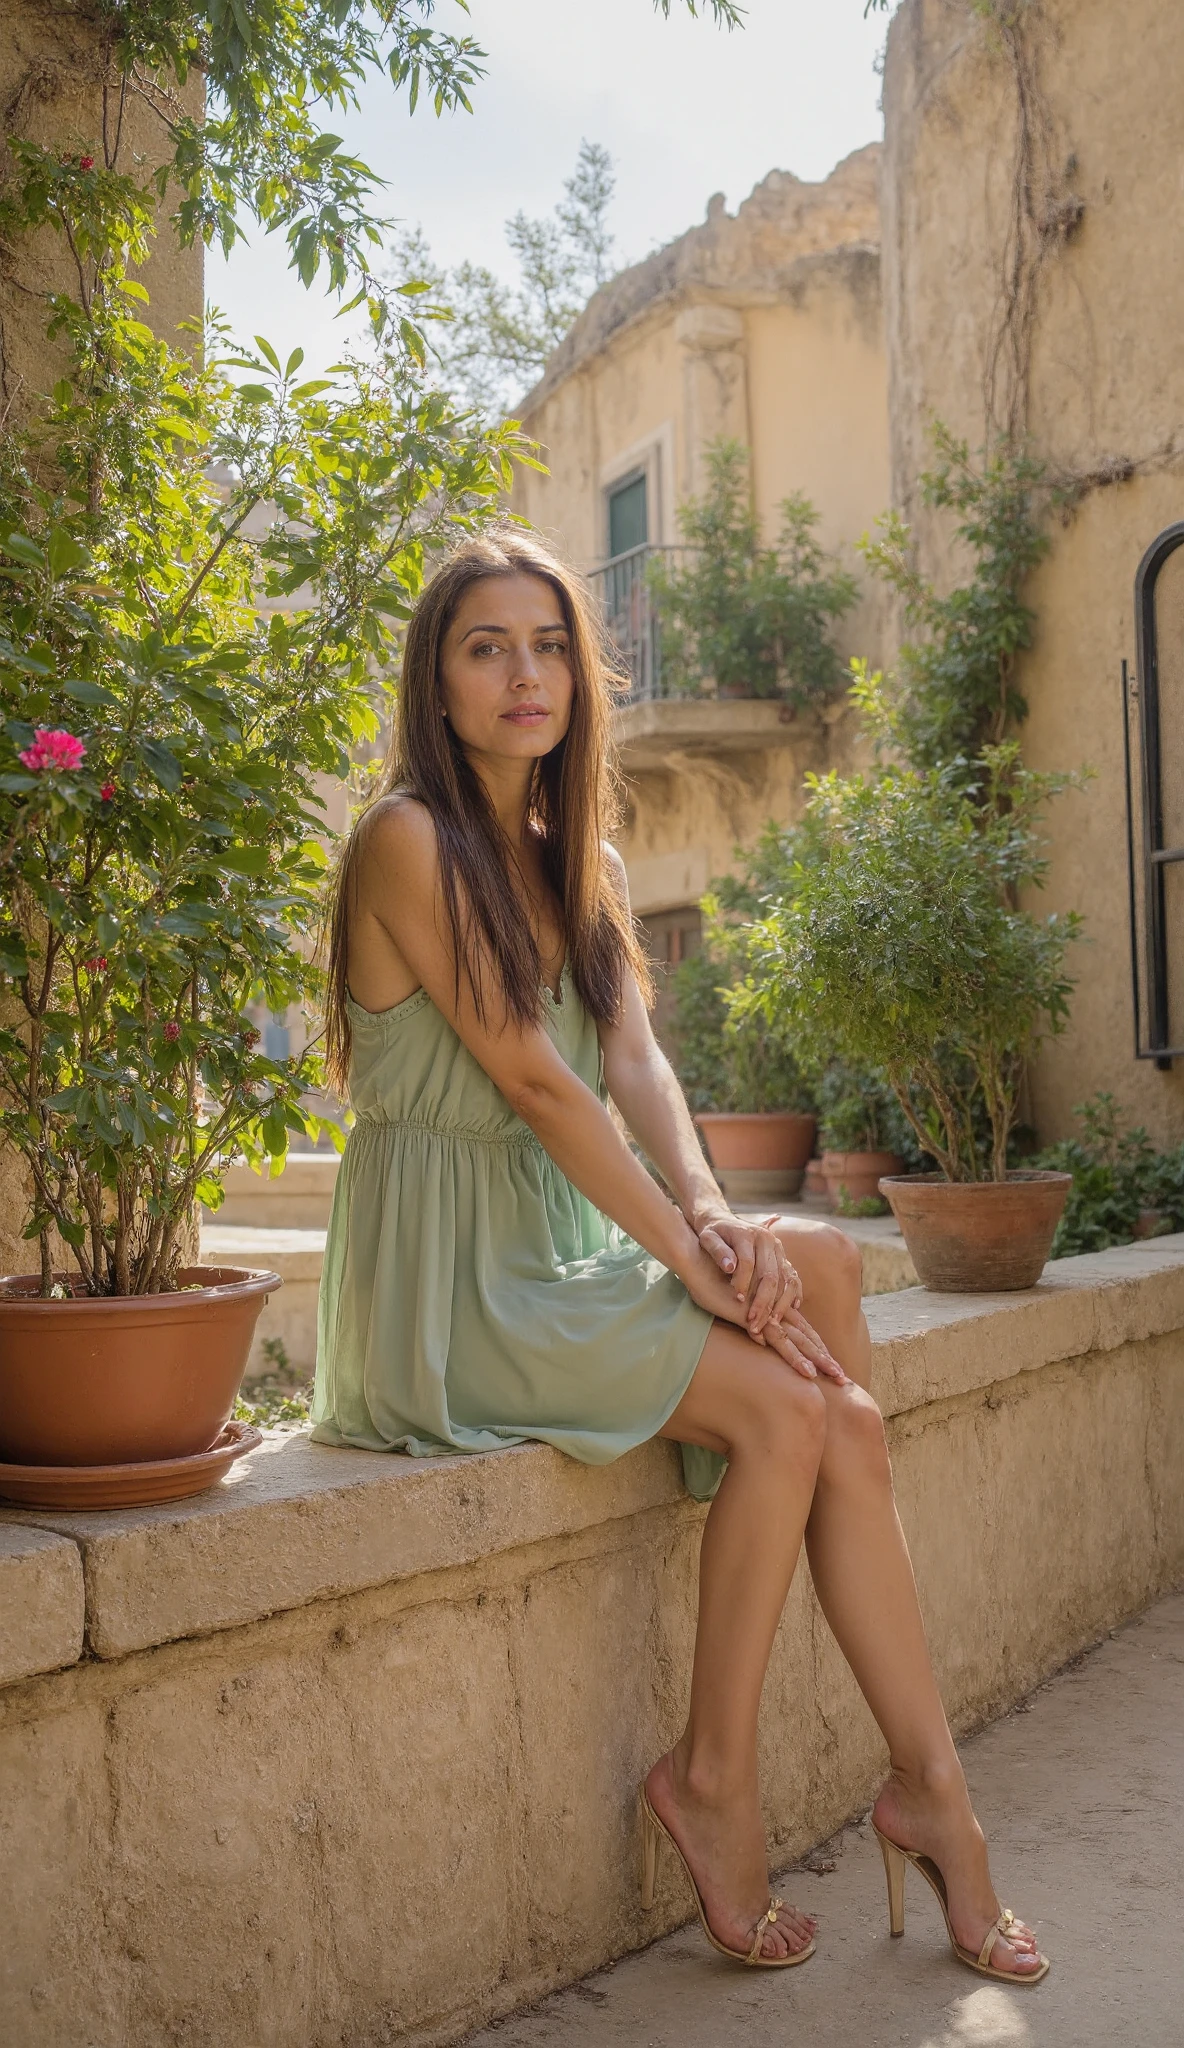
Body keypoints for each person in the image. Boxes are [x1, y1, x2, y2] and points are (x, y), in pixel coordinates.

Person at [313, 531, 1048, 1983]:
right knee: (799, 1404)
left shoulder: (571, 853)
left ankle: (929, 1789)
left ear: (582, 676)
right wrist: (696, 1259)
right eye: (486, 647)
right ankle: (736, 1781)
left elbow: (636, 1059)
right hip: (454, 1286)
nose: (525, 674)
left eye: (548, 645)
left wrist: (712, 1216)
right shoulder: (407, 840)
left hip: (556, 1247)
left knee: (822, 1285)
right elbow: (537, 1083)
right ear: (437, 683)